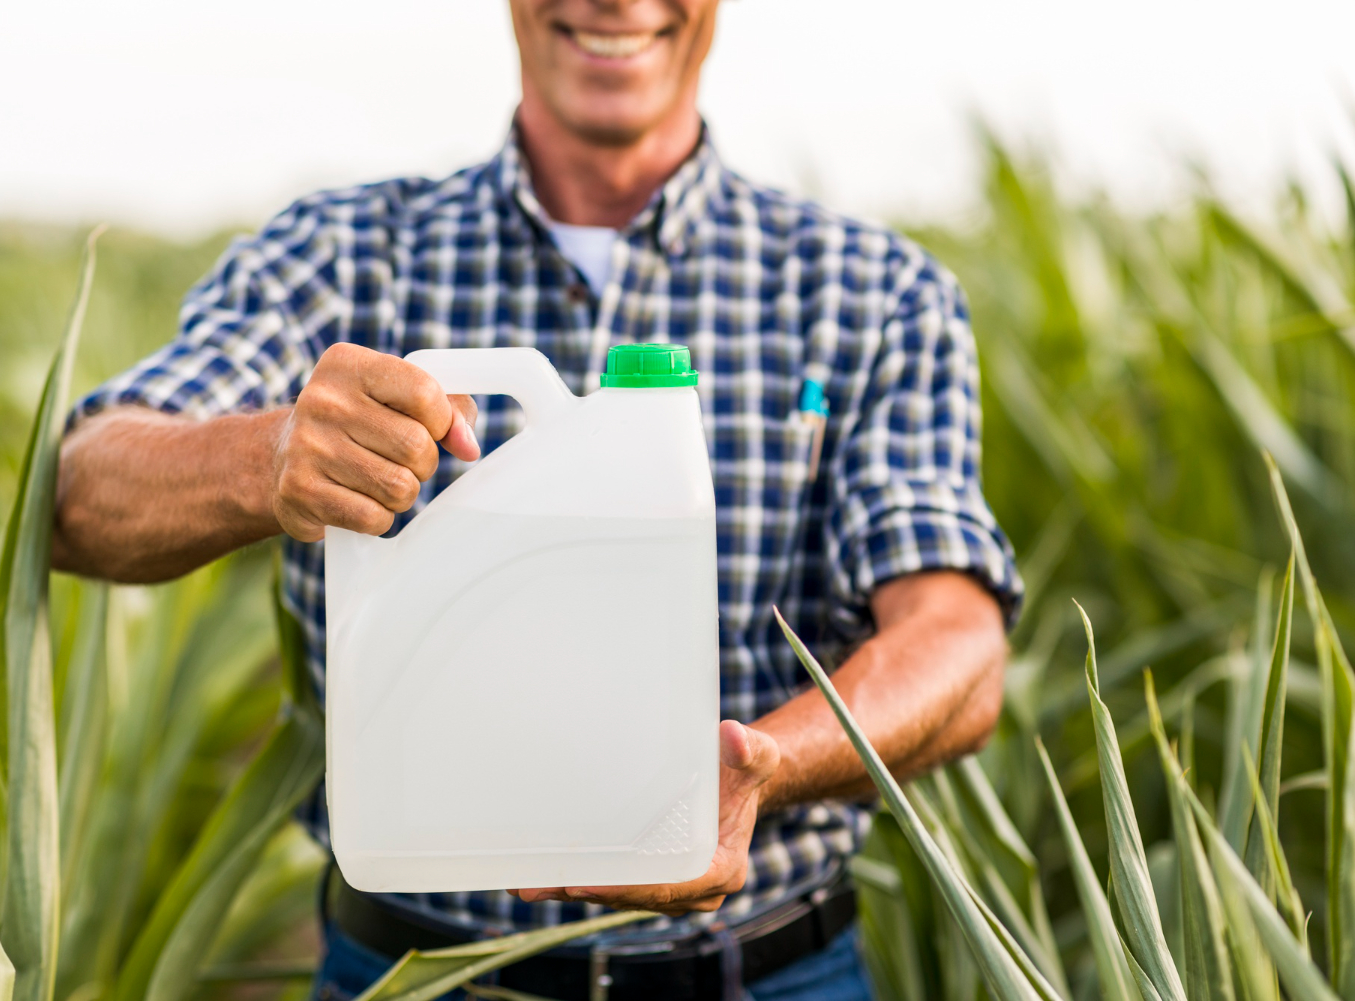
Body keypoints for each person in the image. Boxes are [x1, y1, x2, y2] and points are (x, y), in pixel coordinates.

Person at [56, 1, 1022, 997]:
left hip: (771, 970)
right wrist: (264, 456)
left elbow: (958, 647)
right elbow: (80, 489)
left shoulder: (875, 293)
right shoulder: (340, 257)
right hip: (409, 970)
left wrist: (762, 763)